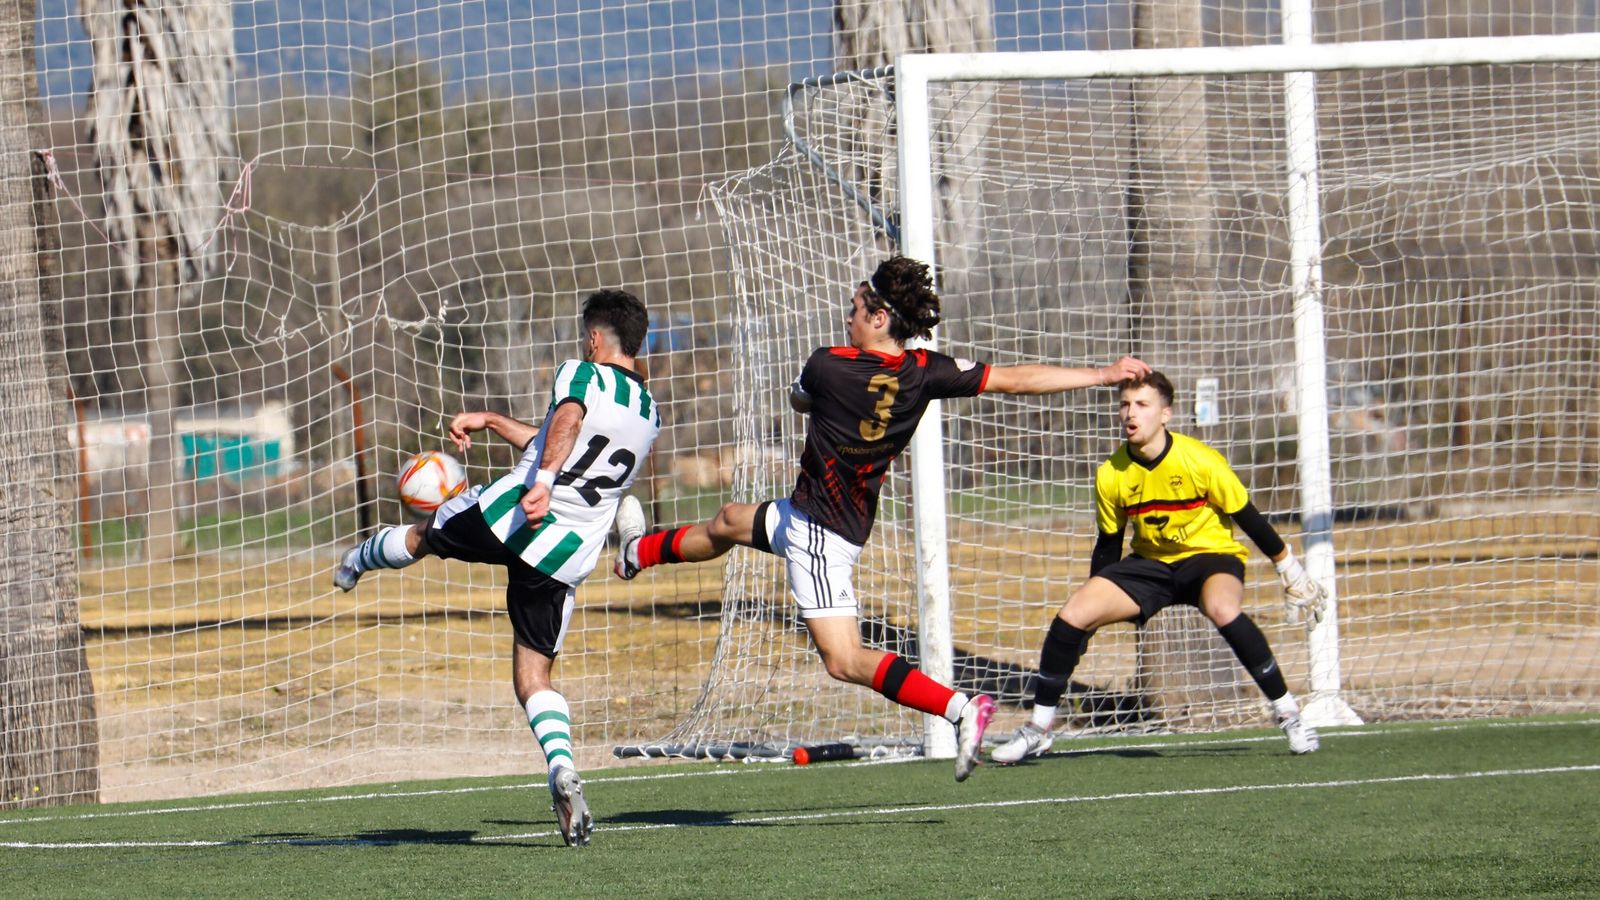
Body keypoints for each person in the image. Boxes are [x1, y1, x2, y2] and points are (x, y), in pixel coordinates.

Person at [609, 255, 1150, 782]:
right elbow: (1015, 379)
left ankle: (961, 708)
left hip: (817, 535)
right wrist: (1102, 374)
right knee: (728, 521)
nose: (848, 317)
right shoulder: (924, 372)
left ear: (880, 316)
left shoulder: (827, 364)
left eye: (856, 307)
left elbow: (801, 399)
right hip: (816, 518)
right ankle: (637, 553)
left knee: (843, 660)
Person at [331, 289, 659, 847]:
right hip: (566, 553)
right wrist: (490, 420)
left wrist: (544, 482)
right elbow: (551, 439)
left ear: (595, 338)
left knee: (427, 537)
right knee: (534, 677)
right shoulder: (649, 414)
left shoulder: (582, 373)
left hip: (515, 513)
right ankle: (561, 767)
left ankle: (358, 558)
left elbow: (567, 423)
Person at [990, 369, 1328, 764]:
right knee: (1072, 615)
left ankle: (1289, 714)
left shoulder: (1200, 460)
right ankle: (1038, 730)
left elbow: (1249, 518)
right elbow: (1109, 544)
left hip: (1209, 558)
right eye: (1125, 404)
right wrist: (1092, 605)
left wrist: (1290, 568)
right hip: (1150, 565)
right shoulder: (1112, 473)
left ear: (1165, 414)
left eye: (1142, 405)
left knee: (1223, 609)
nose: (1130, 413)